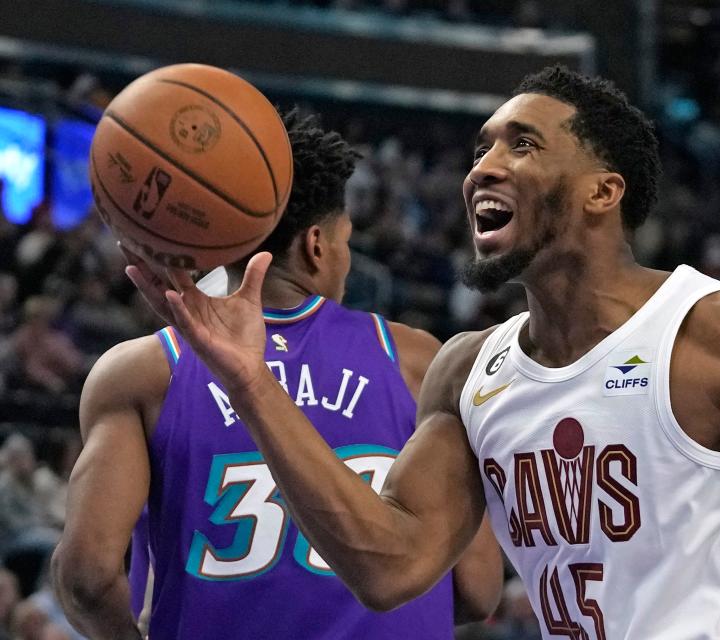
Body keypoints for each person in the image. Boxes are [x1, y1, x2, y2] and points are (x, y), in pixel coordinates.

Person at [124, 67, 720, 639]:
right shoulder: (470, 372)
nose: (482, 168)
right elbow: (389, 568)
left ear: (602, 192)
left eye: (522, 144)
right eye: (481, 148)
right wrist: (253, 383)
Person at [50, 110, 502, 640]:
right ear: (316, 245)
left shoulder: (145, 371)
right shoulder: (419, 362)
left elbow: (86, 574)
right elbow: (476, 588)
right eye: (346, 243)